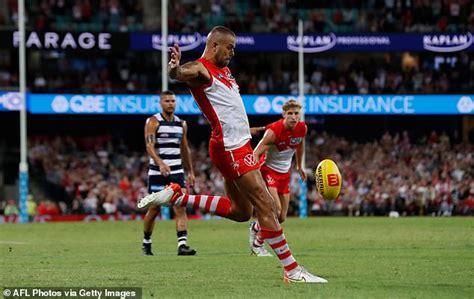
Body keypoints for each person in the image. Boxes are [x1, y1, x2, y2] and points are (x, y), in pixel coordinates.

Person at [138, 26, 327, 283]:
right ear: (214, 45)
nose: (233, 53)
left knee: (241, 212)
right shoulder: (202, 69)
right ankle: (292, 271)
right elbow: (183, 72)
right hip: (230, 148)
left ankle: (179, 196)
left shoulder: (224, 71)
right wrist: (174, 68)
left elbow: (230, 111)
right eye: (230, 47)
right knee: (266, 205)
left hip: (236, 144)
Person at [248, 99, 307, 257]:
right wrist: (253, 175)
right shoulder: (274, 131)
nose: (294, 117)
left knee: (281, 217)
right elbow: (256, 153)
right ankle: (257, 245)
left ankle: (256, 227)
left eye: (296, 113)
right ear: (283, 114)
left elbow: (300, 145)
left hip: (284, 174)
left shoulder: (302, 128)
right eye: (290, 113)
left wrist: (299, 166)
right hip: (269, 171)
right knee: (276, 209)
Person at [142, 90, 197, 256]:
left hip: (177, 171)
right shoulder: (153, 121)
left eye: (173, 101)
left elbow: (184, 148)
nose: (170, 104)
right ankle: (146, 241)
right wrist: (160, 163)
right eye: (167, 101)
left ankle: (182, 245)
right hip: (157, 172)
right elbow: (149, 146)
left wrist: (191, 172)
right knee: (155, 209)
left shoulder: (181, 124)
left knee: (180, 206)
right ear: (161, 103)